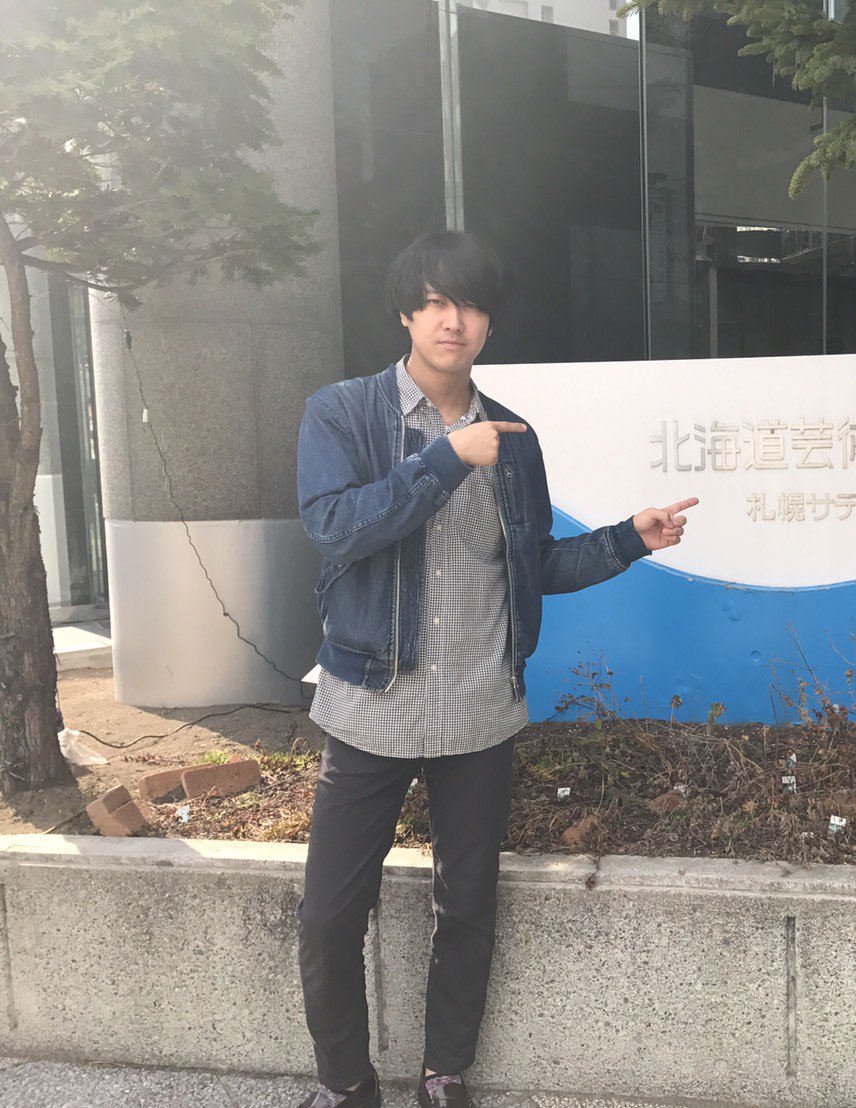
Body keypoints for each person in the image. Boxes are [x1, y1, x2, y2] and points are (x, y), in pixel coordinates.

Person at [293, 231, 696, 1108]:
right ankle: (345, 1083)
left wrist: (628, 540)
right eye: (436, 302)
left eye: (470, 305)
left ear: (487, 323)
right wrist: (443, 460)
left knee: (467, 905)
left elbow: (531, 563)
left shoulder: (513, 437)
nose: (454, 320)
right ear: (407, 314)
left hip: (479, 706)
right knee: (328, 915)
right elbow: (336, 529)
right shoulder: (343, 413)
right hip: (370, 705)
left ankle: (445, 1072)